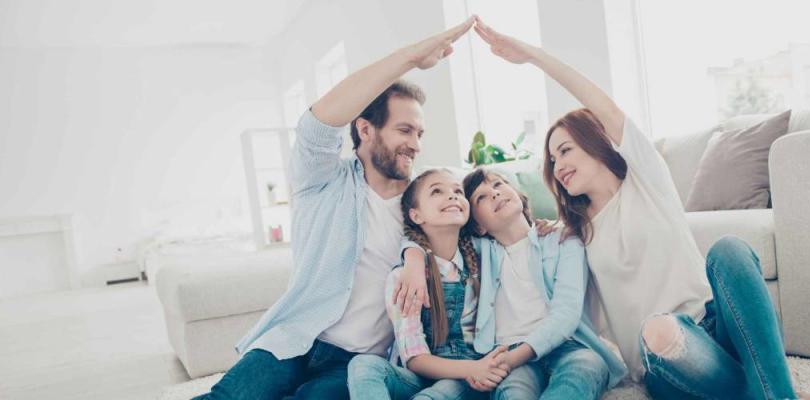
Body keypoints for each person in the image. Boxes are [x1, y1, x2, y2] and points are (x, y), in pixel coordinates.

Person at [399, 17, 810, 400]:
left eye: (567, 149)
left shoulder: (647, 181)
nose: (558, 163)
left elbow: (597, 99)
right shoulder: (571, 234)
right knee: (660, 329)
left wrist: (529, 56)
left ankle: (780, 395)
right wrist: (415, 255)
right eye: (552, 158)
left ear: (597, 143)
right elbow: (480, 252)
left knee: (732, 252)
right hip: (666, 358)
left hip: (718, 327)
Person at [193, 16, 477, 400]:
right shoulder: (322, 178)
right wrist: (409, 58)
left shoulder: (424, 199)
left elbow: (478, 213)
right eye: (405, 131)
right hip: (297, 336)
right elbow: (315, 126)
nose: (416, 144)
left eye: (420, 133)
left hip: (359, 359)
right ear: (365, 129)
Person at [462, 168, 627, 399]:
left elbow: (566, 312)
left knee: (586, 367)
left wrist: (515, 358)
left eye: (498, 184)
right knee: (512, 393)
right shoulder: (478, 255)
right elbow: (430, 234)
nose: (494, 193)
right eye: (481, 197)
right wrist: (413, 256)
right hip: (508, 350)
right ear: (478, 226)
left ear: (518, 195)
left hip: (567, 345)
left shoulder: (563, 240)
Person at [347, 168, 507, 400]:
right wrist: (413, 256)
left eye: (457, 191)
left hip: (468, 378)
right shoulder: (404, 278)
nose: (452, 196)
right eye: (437, 192)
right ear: (416, 215)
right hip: (426, 376)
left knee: (439, 394)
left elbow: (514, 234)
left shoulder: (484, 257)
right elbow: (415, 359)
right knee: (363, 365)